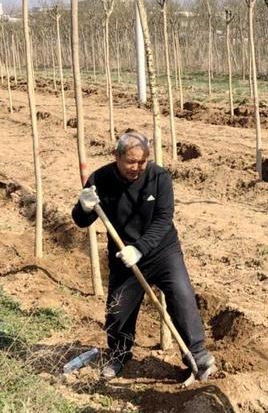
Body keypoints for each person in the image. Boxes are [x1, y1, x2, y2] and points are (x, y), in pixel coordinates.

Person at [71, 131, 215, 380]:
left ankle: (197, 355)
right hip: (123, 255)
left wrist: (140, 248)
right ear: (116, 156)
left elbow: (163, 219)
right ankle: (119, 355)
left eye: (142, 161)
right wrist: (83, 207)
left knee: (182, 296)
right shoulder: (100, 179)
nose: (136, 167)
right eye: (130, 161)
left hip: (162, 251)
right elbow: (82, 221)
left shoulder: (159, 177)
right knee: (117, 312)